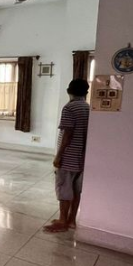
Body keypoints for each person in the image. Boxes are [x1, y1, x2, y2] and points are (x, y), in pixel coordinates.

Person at [44, 78, 90, 233]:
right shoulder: (87, 107)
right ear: (86, 92)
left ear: (68, 91)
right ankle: (71, 220)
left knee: (64, 188)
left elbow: (67, 134)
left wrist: (59, 156)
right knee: (76, 190)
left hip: (69, 156)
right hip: (82, 158)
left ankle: (62, 221)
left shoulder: (69, 108)